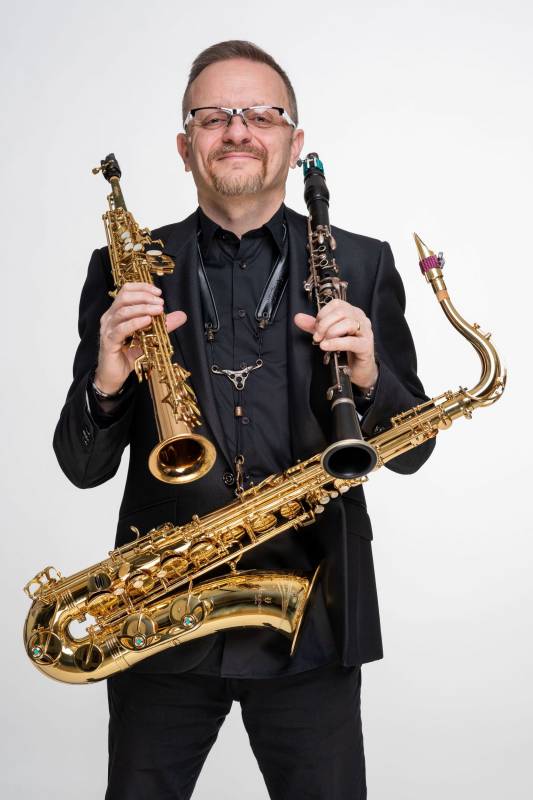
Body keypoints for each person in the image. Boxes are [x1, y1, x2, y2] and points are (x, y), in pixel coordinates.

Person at [54, 40, 435, 800]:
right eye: (213, 117)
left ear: (294, 142)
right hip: (159, 614)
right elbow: (83, 467)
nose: (237, 131)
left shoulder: (361, 263)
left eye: (261, 115)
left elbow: (413, 450)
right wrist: (107, 376)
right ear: (184, 147)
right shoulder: (124, 267)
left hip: (313, 617)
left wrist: (368, 374)